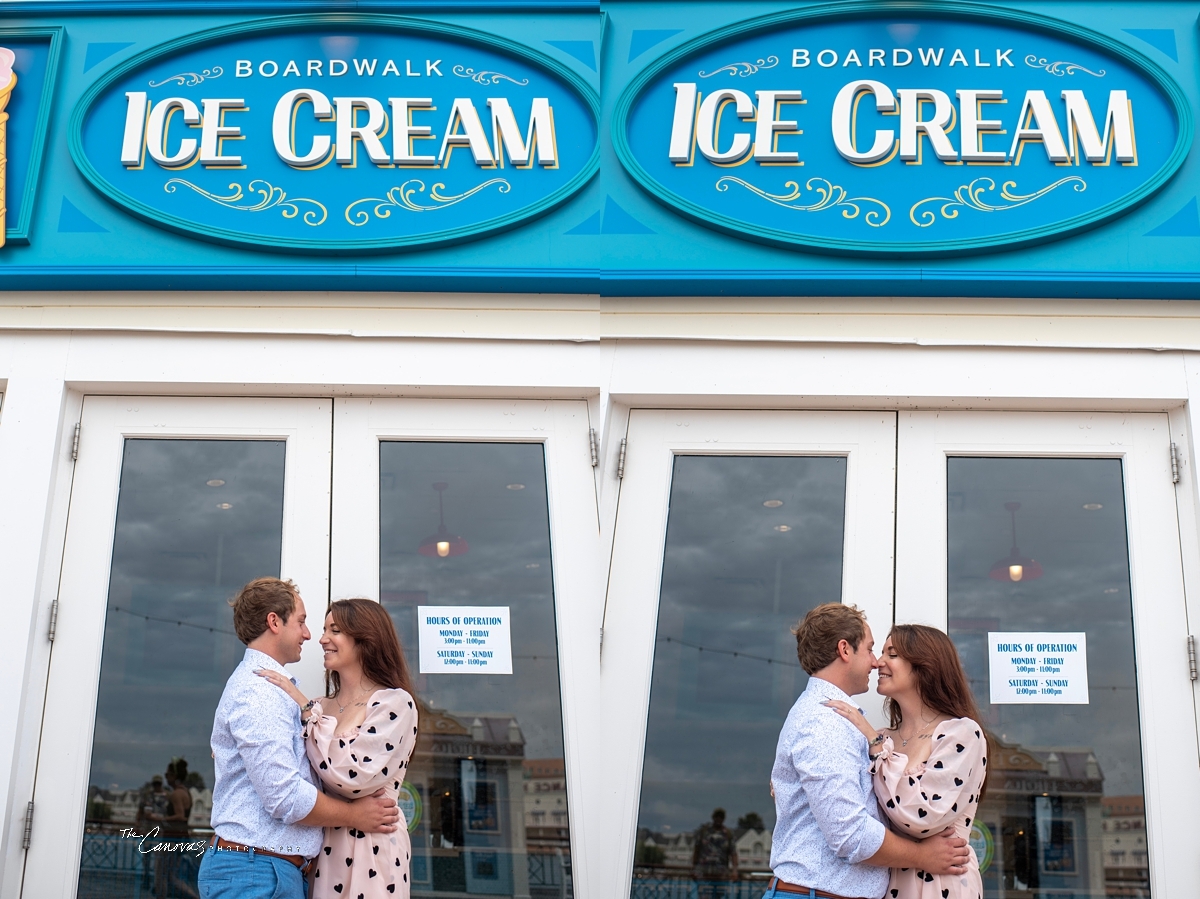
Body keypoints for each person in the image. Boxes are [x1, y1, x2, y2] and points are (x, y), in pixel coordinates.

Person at [198, 578, 401, 899]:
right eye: (303, 622)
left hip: (263, 871)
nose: (310, 635)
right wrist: (355, 815)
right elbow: (284, 796)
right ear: (274, 622)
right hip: (256, 872)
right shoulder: (259, 692)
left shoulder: (272, 691)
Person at [767, 603, 969, 899]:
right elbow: (851, 836)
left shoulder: (833, 719)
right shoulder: (825, 722)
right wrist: (923, 857)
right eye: (871, 649)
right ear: (845, 650)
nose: (876, 662)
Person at [257, 598, 420, 899]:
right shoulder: (317, 707)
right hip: (319, 851)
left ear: (365, 639)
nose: (322, 639)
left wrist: (304, 707)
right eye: (323, 629)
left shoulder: (394, 703)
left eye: (335, 630)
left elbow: (351, 777)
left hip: (371, 849)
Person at [825, 624, 987, 899]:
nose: (878, 663)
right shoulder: (881, 739)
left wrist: (874, 743)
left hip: (940, 885)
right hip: (885, 885)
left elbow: (921, 817)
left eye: (893, 654)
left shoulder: (961, 733)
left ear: (925, 665)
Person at [692, 807, 738, 897]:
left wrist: (734, 870)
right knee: (704, 896)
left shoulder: (728, 834)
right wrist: (694, 868)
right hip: (704, 872)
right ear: (713, 817)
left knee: (718, 895)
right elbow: (696, 850)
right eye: (717, 816)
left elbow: (733, 853)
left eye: (721, 817)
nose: (718, 819)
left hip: (721, 873)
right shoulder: (703, 831)